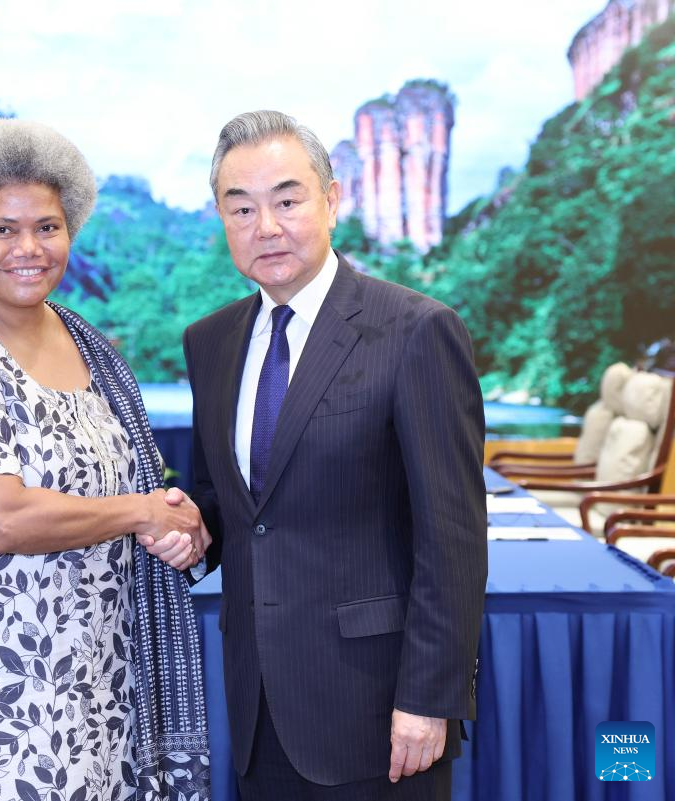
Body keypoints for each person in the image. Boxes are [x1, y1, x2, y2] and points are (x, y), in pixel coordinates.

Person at [150, 110, 487, 800]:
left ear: (331, 200)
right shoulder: (209, 342)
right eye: (241, 208)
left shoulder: (416, 330)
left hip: (379, 710)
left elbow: (452, 536)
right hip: (258, 702)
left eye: (287, 200)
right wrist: (194, 530)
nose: (266, 227)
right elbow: (232, 502)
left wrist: (429, 697)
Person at [0, 119, 210, 801]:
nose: (28, 248)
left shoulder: (82, 338)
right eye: (2, 229)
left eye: (47, 227)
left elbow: (137, 481)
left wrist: (180, 524)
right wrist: (142, 513)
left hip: (98, 685)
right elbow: (1, 518)